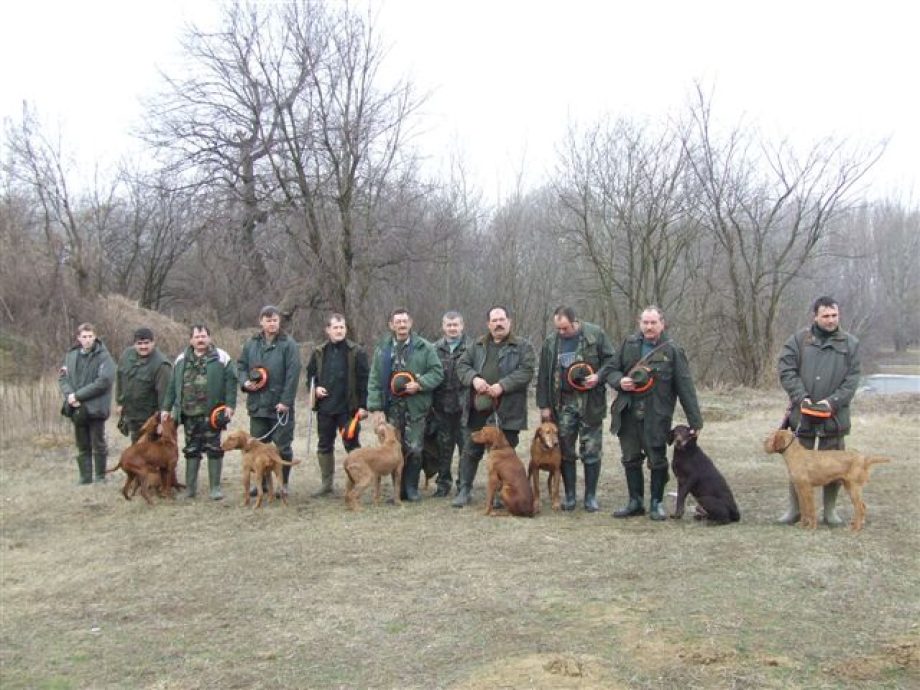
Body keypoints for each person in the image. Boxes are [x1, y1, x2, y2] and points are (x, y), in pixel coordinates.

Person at [609, 306, 703, 521]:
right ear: (639, 323)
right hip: (628, 411)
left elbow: (685, 387)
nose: (649, 327)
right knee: (630, 458)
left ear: (662, 323)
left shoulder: (672, 351)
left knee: (657, 459)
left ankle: (656, 503)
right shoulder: (628, 344)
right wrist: (619, 381)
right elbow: (611, 369)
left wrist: (695, 420)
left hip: (657, 414)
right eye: (645, 323)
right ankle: (635, 502)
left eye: (653, 323)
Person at [777, 296, 861, 526]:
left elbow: (852, 380)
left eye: (834, 315)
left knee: (834, 464)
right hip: (802, 415)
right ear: (815, 316)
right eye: (826, 316)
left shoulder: (851, 344)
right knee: (797, 465)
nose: (831, 320)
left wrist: (832, 402)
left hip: (833, 416)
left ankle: (830, 512)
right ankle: (795, 510)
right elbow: (786, 370)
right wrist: (800, 397)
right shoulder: (798, 340)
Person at [452, 305, 535, 508]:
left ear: (509, 321)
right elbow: (461, 366)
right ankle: (464, 490)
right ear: (488, 324)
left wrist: (502, 386)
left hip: (508, 411)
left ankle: (501, 494)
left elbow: (526, 371)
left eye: (502, 320)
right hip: (478, 409)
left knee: (505, 456)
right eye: (494, 320)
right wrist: (474, 379)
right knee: (470, 451)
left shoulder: (523, 347)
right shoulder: (477, 346)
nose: (498, 324)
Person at [536, 306, 616, 512]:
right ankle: (570, 495)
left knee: (591, 449)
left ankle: (590, 496)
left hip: (591, 401)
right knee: (565, 449)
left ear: (575, 321)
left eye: (565, 328)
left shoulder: (595, 335)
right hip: (562, 404)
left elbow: (612, 360)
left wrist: (599, 376)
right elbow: (543, 376)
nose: (561, 332)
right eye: (558, 329)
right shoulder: (550, 343)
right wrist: (544, 405)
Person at [367, 308, 443, 501]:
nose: (401, 325)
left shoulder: (425, 348)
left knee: (415, 449)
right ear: (391, 325)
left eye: (404, 321)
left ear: (410, 323)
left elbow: (437, 373)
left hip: (416, 407)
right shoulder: (382, 349)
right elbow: (374, 380)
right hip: (391, 408)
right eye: (397, 322)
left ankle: (411, 488)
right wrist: (375, 408)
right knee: (392, 450)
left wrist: (420, 384)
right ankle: (397, 491)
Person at [162, 324, 237, 500]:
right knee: (191, 450)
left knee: (214, 449)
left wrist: (230, 405)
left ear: (209, 338)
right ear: (191, 340)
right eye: (197, 337)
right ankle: (190, 490)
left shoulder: (222, 357)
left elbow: (231, 383)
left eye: (203, 336)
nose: (200, 340)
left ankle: (215, 489)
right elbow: (173, 386)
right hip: (188, 415)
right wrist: (166, 408)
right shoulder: (181, 359)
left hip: (212, 414)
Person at [238, 305, 301, 496]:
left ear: (279, 321)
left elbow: (293, 374)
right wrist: (245, 382)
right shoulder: (251, 344)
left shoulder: (289, 344)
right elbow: (240, 366)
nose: (271, 323)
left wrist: (286, 401)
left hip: (280, 406)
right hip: (257, 406)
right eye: (268, 320)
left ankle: (284, 484)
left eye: (274, 320)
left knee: (282, 448)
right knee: (257, 447)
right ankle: (262, 484)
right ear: (261, 322)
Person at [304, 312, 369, 497]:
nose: (339, 331)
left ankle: (360, 482)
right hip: (325, 409)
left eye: (342, 327)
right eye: (335, 327)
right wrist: (314, 390)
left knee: (352, 445)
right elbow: (310, 377)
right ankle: (327, 484)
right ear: (328, 330)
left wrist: (364, 406)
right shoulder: (318, 352)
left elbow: (365, 381)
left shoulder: (357, 352)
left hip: (349, 410)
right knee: (324, 445)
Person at [58, 323, 116, 485]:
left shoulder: (104, 356)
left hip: (96, 408)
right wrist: (70, 395)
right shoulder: (71, 355)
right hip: (76, 408)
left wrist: (78, 395)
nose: (88, 340)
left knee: (98, 443)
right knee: (82, 443)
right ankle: (85, 478)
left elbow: (104, 381)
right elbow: (63, 377)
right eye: (84, 337)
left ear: (95, 337)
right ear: (78, 338)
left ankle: (100, 477)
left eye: (90, 336)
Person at [427, 310, 471, 497]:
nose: (452, 328)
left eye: (456, 325)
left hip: (465, 408)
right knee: (443, 448)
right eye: (449, 325)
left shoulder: (473, 347)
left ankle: (464, 485)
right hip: (441, 408)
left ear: (462, 326)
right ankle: (443, 484)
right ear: (443, 327)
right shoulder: (433, 349)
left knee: (466, 448)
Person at [115, 327, 172, 443]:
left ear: (153, 343)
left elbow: (165, 397)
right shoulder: (127, 355)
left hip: (150, 420)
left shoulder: (161, 365)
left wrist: (162, 423)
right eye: (139, 344)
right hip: (132, 415)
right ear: (134, 344)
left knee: (150, 456)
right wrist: (119, 402)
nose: (143, 347)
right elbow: (120, 377)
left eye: (147, 343)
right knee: (137, 452)